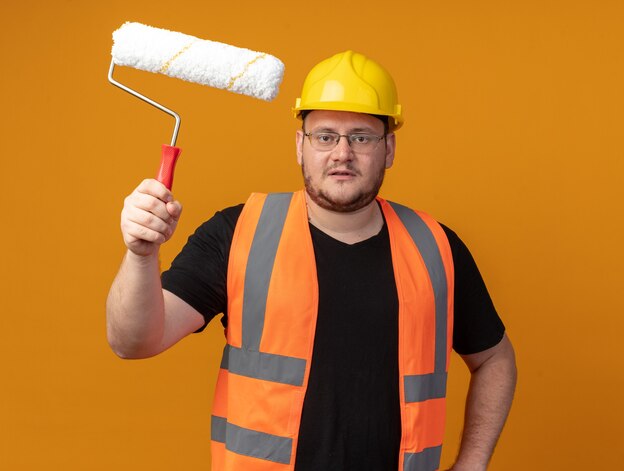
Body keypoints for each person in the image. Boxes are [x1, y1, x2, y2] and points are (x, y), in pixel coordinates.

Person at [107, 50, 517, 471]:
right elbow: (134, 341)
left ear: (389, 148)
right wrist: (141, 254)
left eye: (361, 136)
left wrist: (473, 462)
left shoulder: (435, 247)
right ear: (300, 146)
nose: (342, 153)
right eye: (325, 136)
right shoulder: (239, 233)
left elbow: (495, 358)